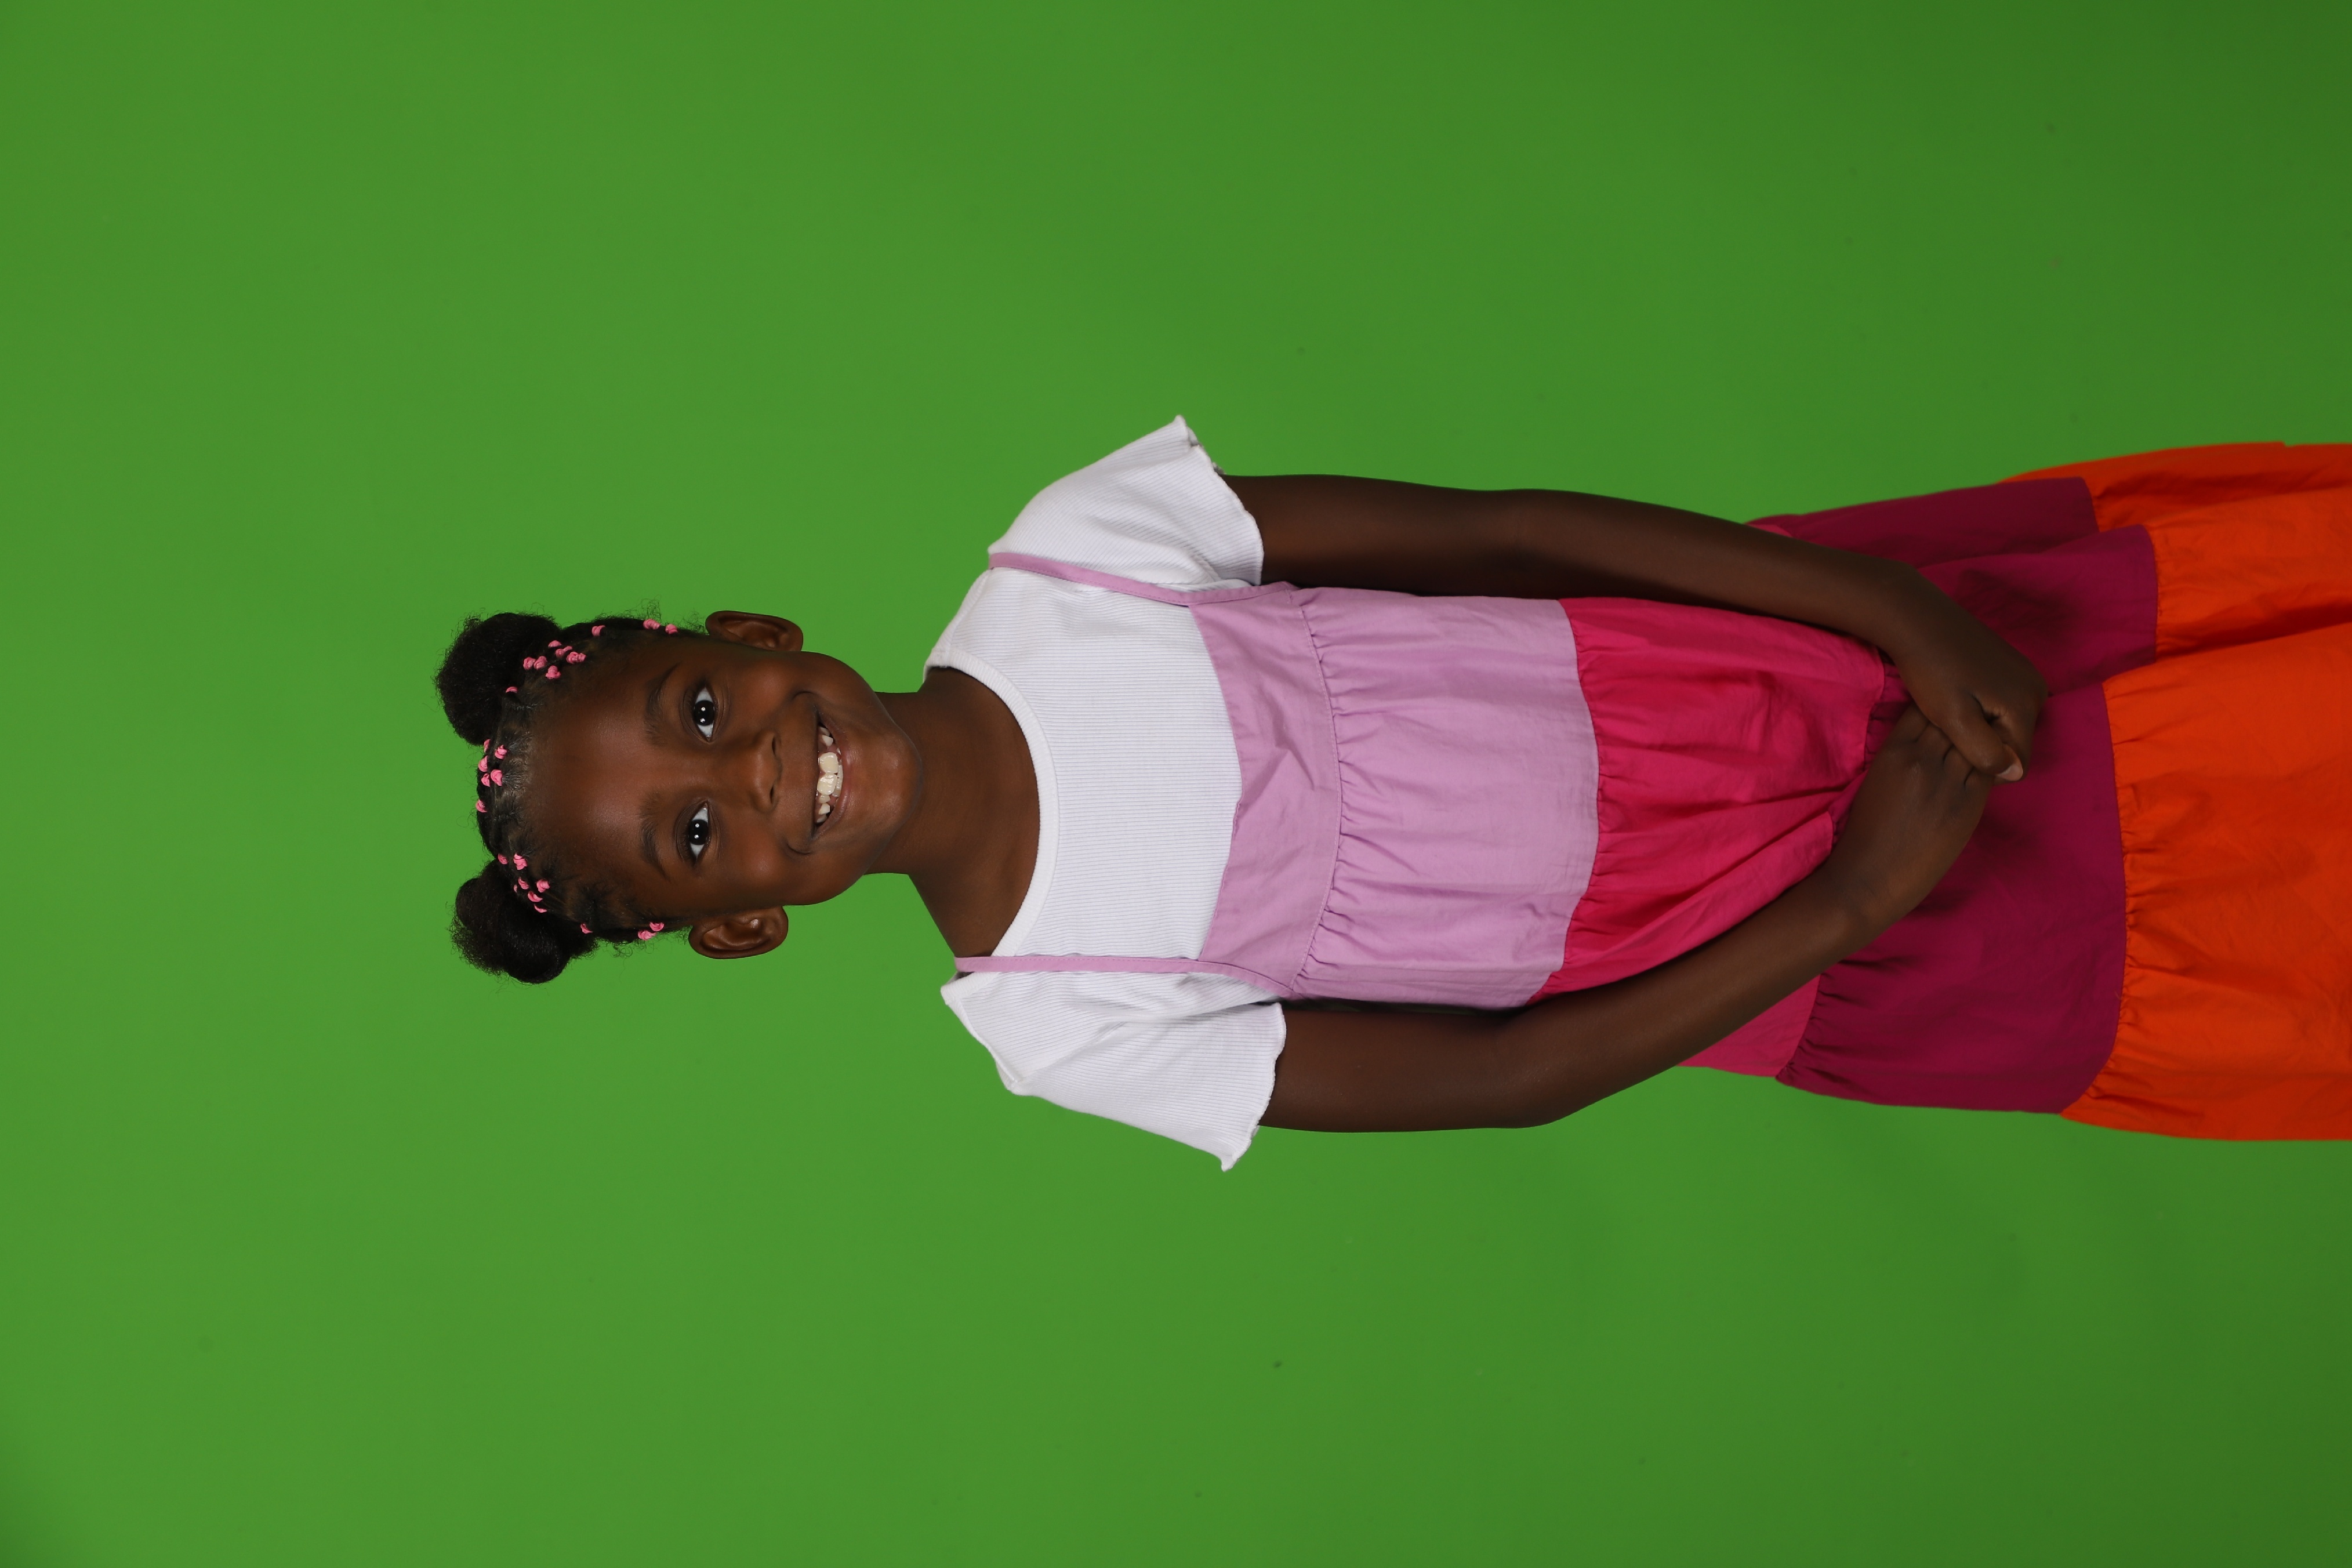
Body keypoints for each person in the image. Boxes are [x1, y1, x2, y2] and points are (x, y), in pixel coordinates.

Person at [434, 420, 2352, 1167]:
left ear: (755, 631)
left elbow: (1503, 536)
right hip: (1824, 931)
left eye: (704, 704)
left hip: (1806, 668)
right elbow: (1509, 1077)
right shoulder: (1060, 1020)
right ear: (744, 922)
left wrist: (1881, 602)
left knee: (2265, 698)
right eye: (698, 833)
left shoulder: (1076, 554)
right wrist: (1852, 904)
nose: (757, 765)